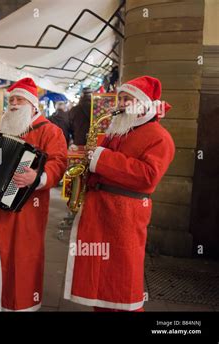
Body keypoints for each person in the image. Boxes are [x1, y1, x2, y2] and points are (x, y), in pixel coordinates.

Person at [64, 76, 175, 312]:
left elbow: (148, 176)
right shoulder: (120, 129)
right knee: (100, 277)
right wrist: (82, 154)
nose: (122, 103)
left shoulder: (160, 137)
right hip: (101, 211)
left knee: (123, 278)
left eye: (128, 98)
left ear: (143, 103)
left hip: (124, 216)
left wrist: (100, 159)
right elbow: (98, 154)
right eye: (121, 98)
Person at [0, 78, 68, 311]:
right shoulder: (3, 129)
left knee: (23, 254)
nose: (13, 104)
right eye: (11, 99)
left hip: (28, 207)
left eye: (19, 99)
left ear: (33, 104)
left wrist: (38, 177)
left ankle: (21, 303)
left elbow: (59, 162)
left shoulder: (50, 131)